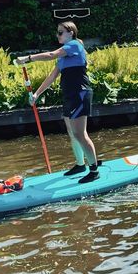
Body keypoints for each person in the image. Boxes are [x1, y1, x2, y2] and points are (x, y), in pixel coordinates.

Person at [16, 21, 99, 182]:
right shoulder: (63, 59)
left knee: (80, 134)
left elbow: (50, 55)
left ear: (71, 33)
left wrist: (28, 58)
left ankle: (94, 171)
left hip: (80, 93)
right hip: (70, 95)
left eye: (61, 32)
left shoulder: (74, 45)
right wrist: (36, 95)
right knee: (71, 132)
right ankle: (80, 164)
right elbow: (51, 77)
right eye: (57, 33)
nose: (58, 35)